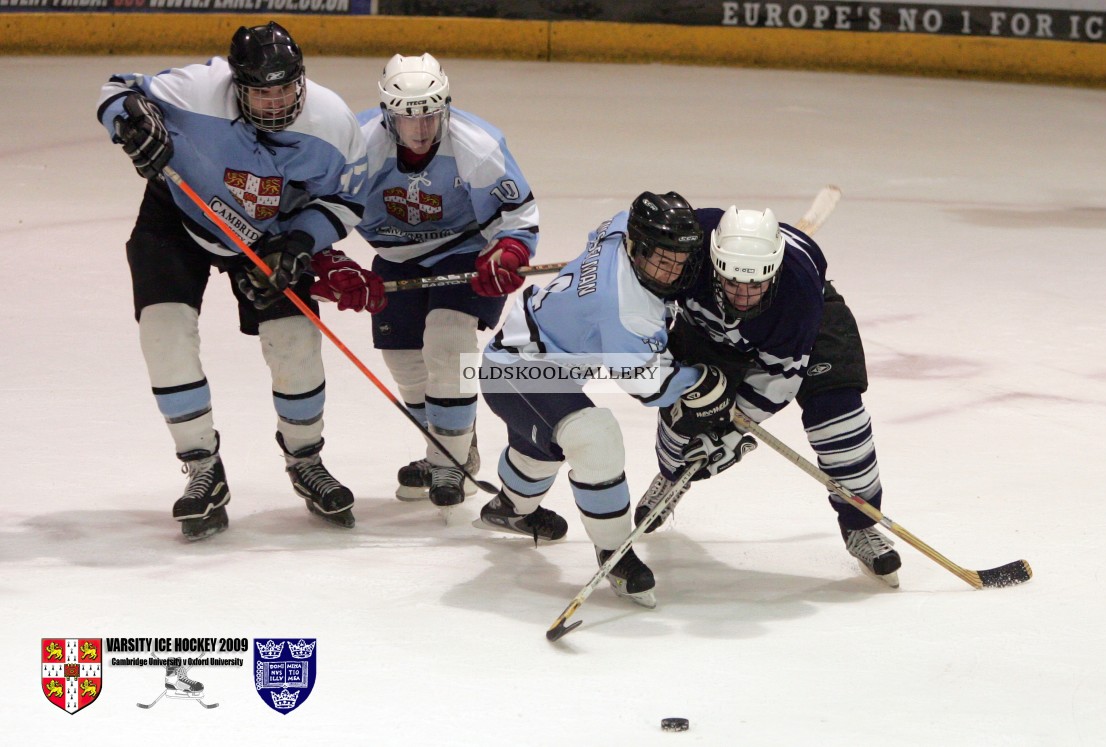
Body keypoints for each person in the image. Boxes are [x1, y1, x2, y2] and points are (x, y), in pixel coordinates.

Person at [96, 22, 373, 540]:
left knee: (295, 341)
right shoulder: (197, 89)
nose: (274, 102)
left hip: (268, 238)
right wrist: (131, 122)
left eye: (284, 88)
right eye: (260, 91)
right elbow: (117, 91)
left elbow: (344, 202)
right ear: (236, 84)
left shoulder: (332, 125)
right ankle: (202, 469)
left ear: (302, 79)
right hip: (177, 216)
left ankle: (305, 459)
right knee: (164, 332)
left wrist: (300, 243)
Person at [474, 192, 740, 608]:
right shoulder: (624, 311)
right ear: (637, 247)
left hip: (535, 359)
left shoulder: (620, 227)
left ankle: (509, 508)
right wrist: (701, 379)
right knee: (593, 436)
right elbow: (651, 387)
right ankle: (615, 552)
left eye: (679, 260)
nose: (672, 272)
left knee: (540, 453)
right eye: (661, 261)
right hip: (513, 371)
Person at [634, 204, 903, 585]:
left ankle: (861, 524)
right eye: (732, 283)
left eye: (756, 285)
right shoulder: (690, 242)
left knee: (839, 417)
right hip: (707, 327)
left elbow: (779, 379)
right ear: (713, 261)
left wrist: (726, 434)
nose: (743, 297)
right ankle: (671, 475)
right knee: (687, 405)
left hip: (800, 327)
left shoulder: (797, 292)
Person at [323, 52, 538, 510]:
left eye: (431, 116)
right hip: (396, 255)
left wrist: (508, 252)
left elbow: (517, 216)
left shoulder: (477, 144)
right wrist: (327, 263)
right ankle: (449, 446)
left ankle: (450, 466)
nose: (421, 130)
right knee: (405, 363)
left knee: (447, 343)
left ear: (445, 106)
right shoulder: (356, 146)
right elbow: (324, 211)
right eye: (407, 119)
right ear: (387, 115)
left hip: (464, 249)